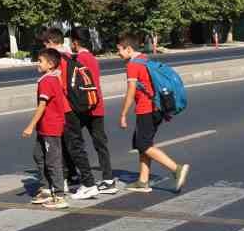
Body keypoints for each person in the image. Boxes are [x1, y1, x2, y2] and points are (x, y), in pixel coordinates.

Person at [116, 32, 189, 193]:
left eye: (119, 49)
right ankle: (143, 181)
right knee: (143, 143)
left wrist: (123, 114)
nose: (118, 53)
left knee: (143, 144)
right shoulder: (144, 59)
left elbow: (131, 91)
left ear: (128, 49)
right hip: (157, 108)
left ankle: (176, 168)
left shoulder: (133, 65)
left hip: (146, 109)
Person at [41, 27, 97, 199]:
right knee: (68, 146)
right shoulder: (68, 56)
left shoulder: (58, 59)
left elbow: (59, 86)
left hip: (66, 109)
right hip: (71, 108)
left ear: (50, 43)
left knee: (74, 147)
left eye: (44, 43)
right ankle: (65, 180)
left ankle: (89, 184)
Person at [70, 24, 117, 194]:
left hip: (83, 108)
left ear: (75, 42)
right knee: (100, 144)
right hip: (97, 105)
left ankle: (75, 177)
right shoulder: (92, 58)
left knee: (71, 139)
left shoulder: (77, 60)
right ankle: (108, 179)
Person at [21, 47, 69, 209]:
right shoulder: (52, 78)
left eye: (40, 60)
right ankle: (47, 188)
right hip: (45, 127)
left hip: (50, 127)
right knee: (38, 156)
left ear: (50, 64)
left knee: (52, 161)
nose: (37, 63)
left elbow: (42, 106)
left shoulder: (47, 81)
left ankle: (59, 195)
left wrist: (30, 126)